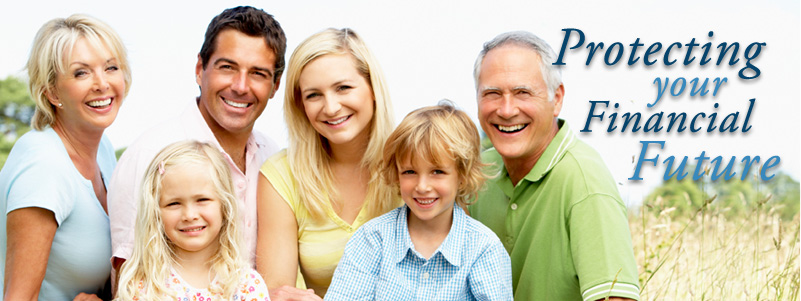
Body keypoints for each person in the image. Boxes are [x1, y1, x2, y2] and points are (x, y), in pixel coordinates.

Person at [108, 6, 286, 276]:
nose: (240, 86)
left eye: (258, 73)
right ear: (199, 69)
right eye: (227, 67)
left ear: (275, 85)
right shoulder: (151, 155)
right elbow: (130, 280)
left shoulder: (273, 161)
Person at [468, 31, 640, 300]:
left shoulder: (583, 180)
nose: (506, 109)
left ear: (556, 99)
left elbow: (617, 298)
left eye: (522, 92)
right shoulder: (476, 173)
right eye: (492, 93)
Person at [0, 14, 131, 300]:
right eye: (81, 73)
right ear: (51, 92)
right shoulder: (43, 168)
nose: (102, 83)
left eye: (111, 67)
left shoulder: (102, 149)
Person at [256, 28, 400, 299]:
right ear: (301, 105)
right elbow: (280, 293)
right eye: (313, 95)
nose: (331, 107)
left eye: (343, 88)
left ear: (372, 89)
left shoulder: (413, 162)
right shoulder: (281, 175)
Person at [325, 102, 513, 301]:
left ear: (462, 175)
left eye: (437, 172)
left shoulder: (483, 248)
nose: (422, 186)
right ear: (396, 175)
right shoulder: (371, 240)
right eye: (410, 172)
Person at [115, 141, 269, 300]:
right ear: (155, 212)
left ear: (224, 205)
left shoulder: (245, 285)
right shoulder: (143, 287)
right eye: (174, 203)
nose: (189, 215)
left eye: (202, 200)